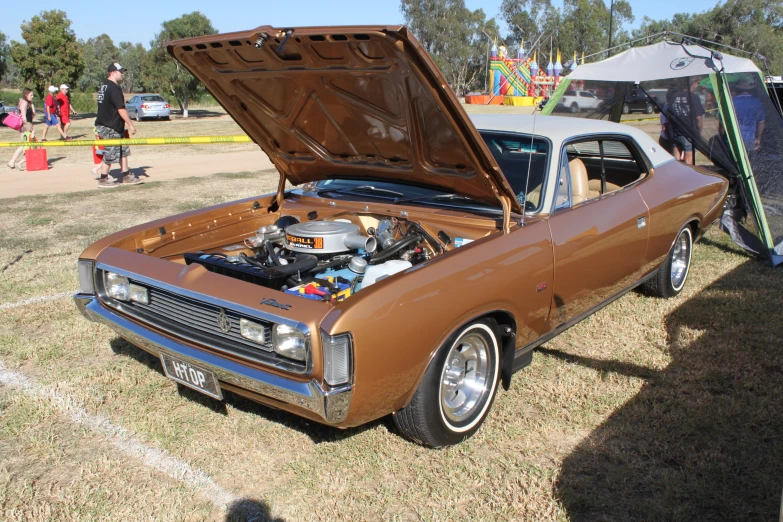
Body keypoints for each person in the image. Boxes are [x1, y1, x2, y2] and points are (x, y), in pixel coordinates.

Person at [95, 62, 140, 187]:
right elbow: (121, 108)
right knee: (111, 153)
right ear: (113, 73)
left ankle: (126, 176)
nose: (123, 74)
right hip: (110, 126)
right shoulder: (114, 88)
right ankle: (103, 179)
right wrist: (131, 124)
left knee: (123, 151)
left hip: (111, 125)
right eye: (121, 72)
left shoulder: (104, 86)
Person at [670, 78, 705, 164]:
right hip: (689, 132)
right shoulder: (693, 97)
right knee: (689, 160)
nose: (698, 85)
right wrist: (699, 132)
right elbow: (699, 117)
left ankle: (676, 175)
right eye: (697, 83)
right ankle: (687, 176)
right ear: (693, 84)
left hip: (676, 131)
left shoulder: (674, 96)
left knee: (676, 160)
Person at [732, 76, 766, 153]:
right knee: (748, 161)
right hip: (750, 138)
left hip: (733, 138)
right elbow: (761, 122)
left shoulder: (731, 101)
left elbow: (723, 123)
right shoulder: (757, 102)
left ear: (737, 89)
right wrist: (758, 137)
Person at [7, 88, 35, 169]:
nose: (32, 96)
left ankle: (20, 162)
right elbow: (24, 117)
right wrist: (28, 128)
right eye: (31, 95)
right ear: (26, 95)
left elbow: (33, 115)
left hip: (28, 126)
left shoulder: (28, 103)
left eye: (33, 95)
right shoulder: (24, 103)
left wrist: (32, 105)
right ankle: (12, 161)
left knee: (26, 146)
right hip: (25, 127)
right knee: (24, 145)